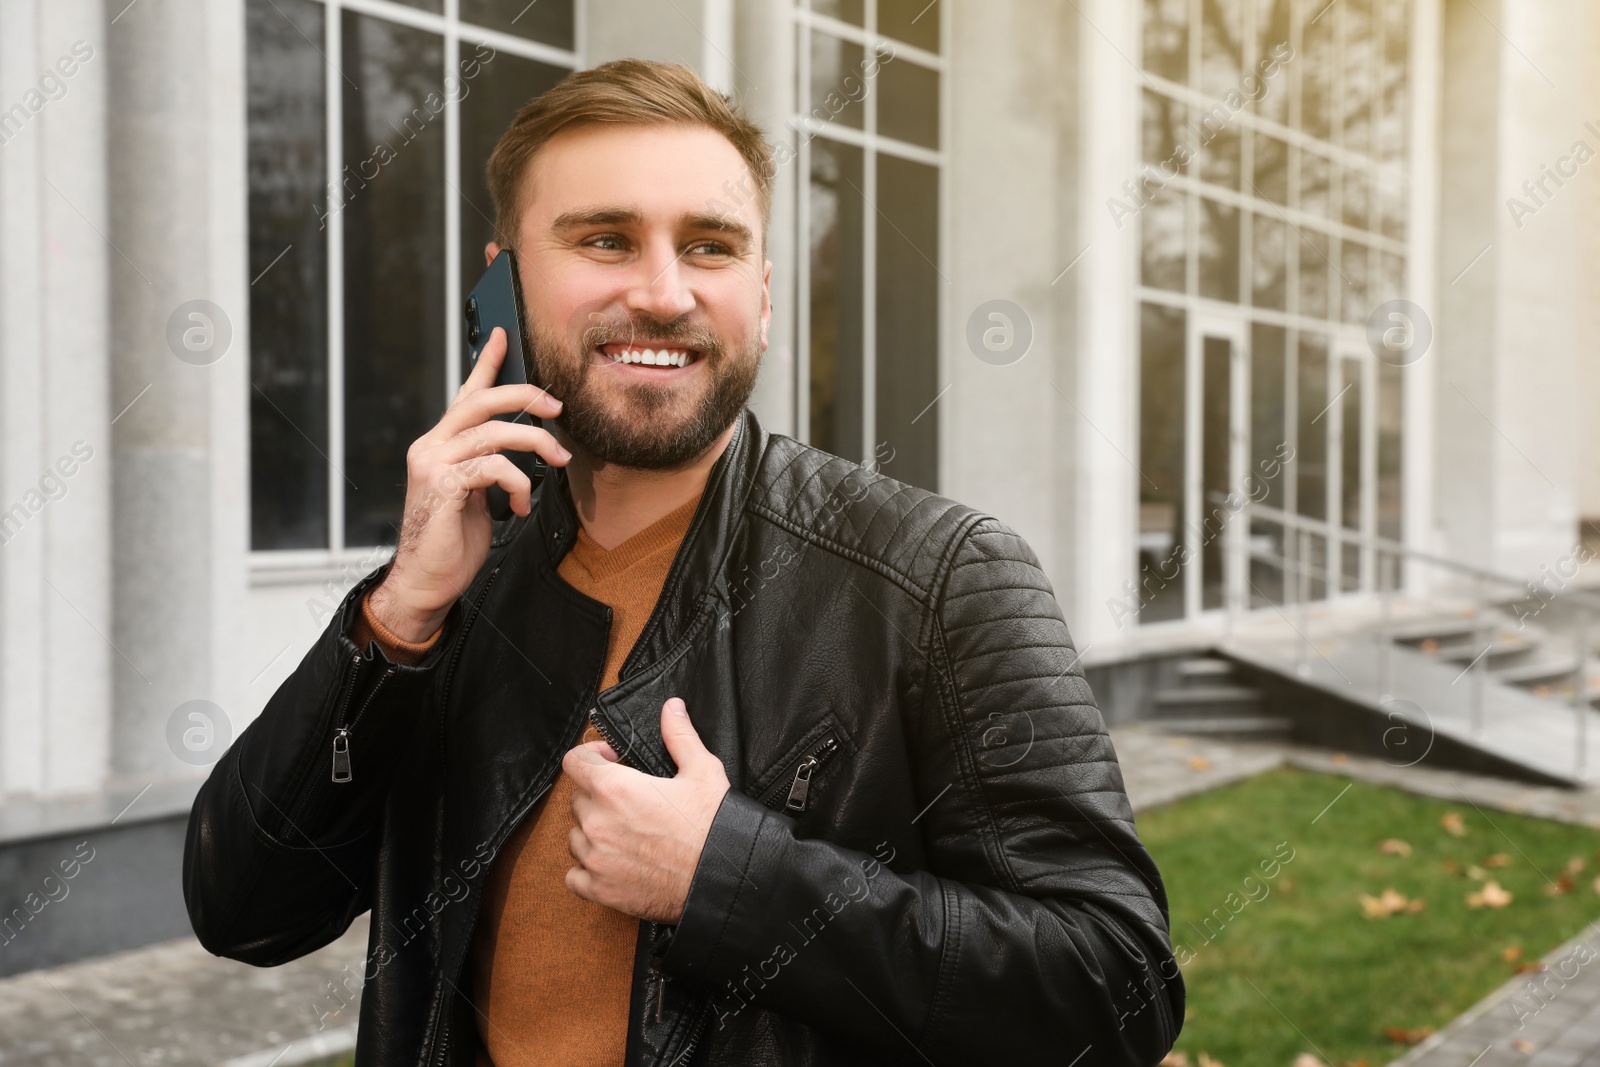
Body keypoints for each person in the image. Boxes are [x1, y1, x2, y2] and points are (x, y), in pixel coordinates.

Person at [183, 58, 1184, 1066]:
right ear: (504, 281)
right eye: (605, 239)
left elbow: (1115, 986)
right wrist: (397, 616)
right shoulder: (455, 587)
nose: (663, 294)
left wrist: (729, 878)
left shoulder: (938, 578)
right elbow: (247, 908)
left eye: (709, 246)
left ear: (761, 288)